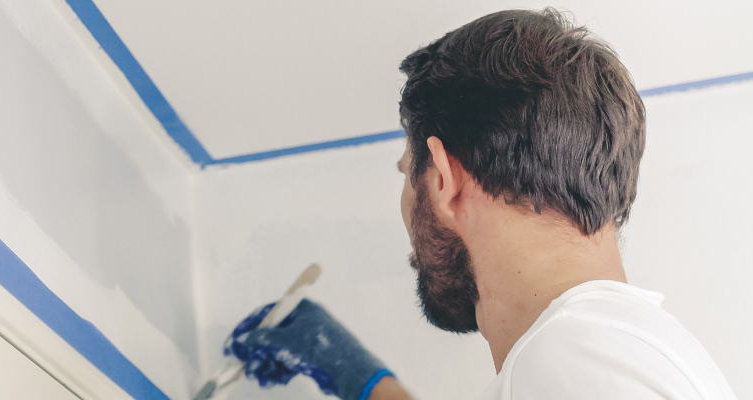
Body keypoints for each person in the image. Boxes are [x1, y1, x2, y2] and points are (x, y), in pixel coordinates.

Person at [224, 8, 736, 400]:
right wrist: (361, 378)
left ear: (444, 180)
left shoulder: (571, 357)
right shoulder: (614, 350)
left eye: (410, 175)